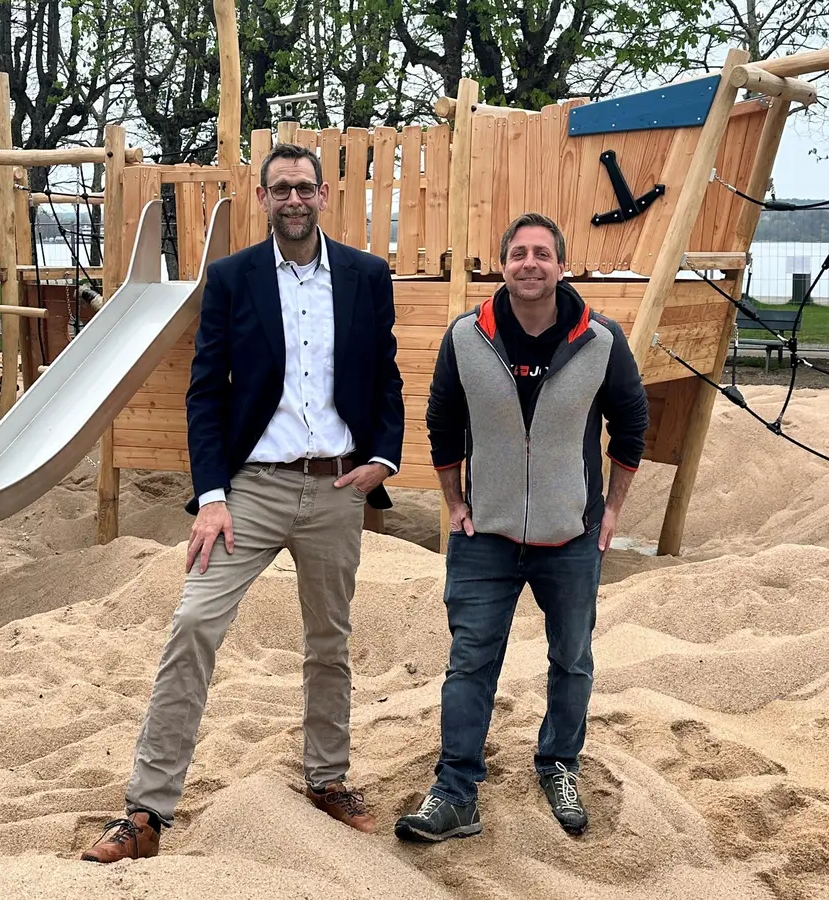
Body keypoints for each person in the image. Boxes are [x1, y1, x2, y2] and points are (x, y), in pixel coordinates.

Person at [82, 143, 405, 862]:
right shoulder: (231, 279)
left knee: (330, 641)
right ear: (262, 199)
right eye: (279, 188)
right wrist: (213, 496)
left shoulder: (365, 275)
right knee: (193, 623)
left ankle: (328, 778)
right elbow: (205, 391)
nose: (293, 199)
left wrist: (384, 456)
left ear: (324, 195)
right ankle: (145, 811)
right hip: (250, 491)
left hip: (338, 486)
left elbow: (385, 374)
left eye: (304, 188)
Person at [394, 212, 649, 842]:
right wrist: (454, 504)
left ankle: (560, 764)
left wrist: (611, 509)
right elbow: (442, 425)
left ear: (562, 266)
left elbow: (632, 427)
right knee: (470, 662)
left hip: (571, 537)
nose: (529, 263)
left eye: (541, 253)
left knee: (571, 658)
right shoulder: (466, 338)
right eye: (518, 253)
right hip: (488, 536)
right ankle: (455, 791)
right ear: (502, 265)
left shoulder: (602, 341)